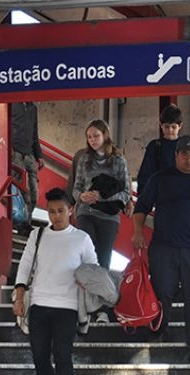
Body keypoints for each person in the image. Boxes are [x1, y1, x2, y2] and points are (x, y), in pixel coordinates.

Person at [131, 134, 190, 364]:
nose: (189, 158)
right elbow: (142, 207)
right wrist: (136, 232)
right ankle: (157, 332)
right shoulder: (160, 179)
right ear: (176, 155)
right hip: (163, 248)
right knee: (161, 292)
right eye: (184, 153)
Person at [13, 187, 98, 375]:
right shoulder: (38, 235)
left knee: (62, 353)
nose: (56, 216)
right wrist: (19, 298)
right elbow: (25, 266)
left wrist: (87, 280)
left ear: (71, 210)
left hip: (67, 306)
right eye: (51, 212)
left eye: (61, 211)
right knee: (39, 355)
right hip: (39, 302)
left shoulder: (81, 239)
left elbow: (93, 269)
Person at [71, 119, 132, 323]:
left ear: (105, 135)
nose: (92, 140)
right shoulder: (83, 159)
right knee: (88, 257)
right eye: (89, 137)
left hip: (108, 215)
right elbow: (76, 187)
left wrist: (103, 198)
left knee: (103, 258)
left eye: (96, 136)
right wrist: (81, 197)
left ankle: (104, 308)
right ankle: (86, 308)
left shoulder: (118, 160)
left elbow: (126, 191)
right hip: (85, 212)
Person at [135, 104, 183, 197]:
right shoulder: (155, 146)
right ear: (161, 125)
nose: (170, 130)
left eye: (173, 127)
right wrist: (143, 197)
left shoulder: (185, 146)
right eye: (166, 126)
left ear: (180, 126)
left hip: (182, 195)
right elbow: (145, 174)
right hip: (160, 196)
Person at [11, 101, 44, 234]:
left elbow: (34, 133)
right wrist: (9, 147)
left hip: (29, 154)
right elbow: (4, 125)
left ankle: (26, 222)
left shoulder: (33, 108)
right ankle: (18, 222)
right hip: (15, 153)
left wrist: (39, 155)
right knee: (17, 191)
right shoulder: (12, 104)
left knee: (33, 192)